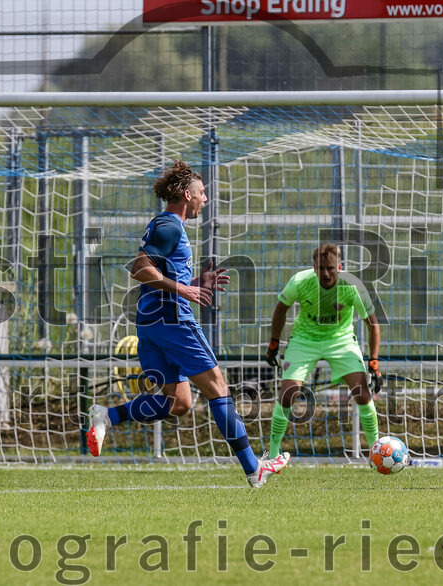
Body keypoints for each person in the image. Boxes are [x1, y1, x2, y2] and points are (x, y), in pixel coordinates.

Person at [86, 160, 290, 487]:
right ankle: (254, 469)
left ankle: (108, 416)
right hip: (174, 322)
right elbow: (139, 268)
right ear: (186, 194)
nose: (205, 199)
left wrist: (194, 280)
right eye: (202, 192)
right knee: (218, 389)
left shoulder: (166, 226)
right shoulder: (170, 226)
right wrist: (183, 288)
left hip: (151, 324)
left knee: (179, 403)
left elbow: (157, 272)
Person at [264, 243, 383, 459]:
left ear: (340, 266)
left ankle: (377, 453)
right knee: (288, 394)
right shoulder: (300, 281)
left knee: (362, 393)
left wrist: (373, 363)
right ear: (314, 267)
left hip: (341, 340)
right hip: (304, 340)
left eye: (331, 268)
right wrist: (274, 343)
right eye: (321, 268)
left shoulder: (353, 285)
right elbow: (280, 310)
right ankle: (272, 455)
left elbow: (373, 324)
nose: (326, 273)